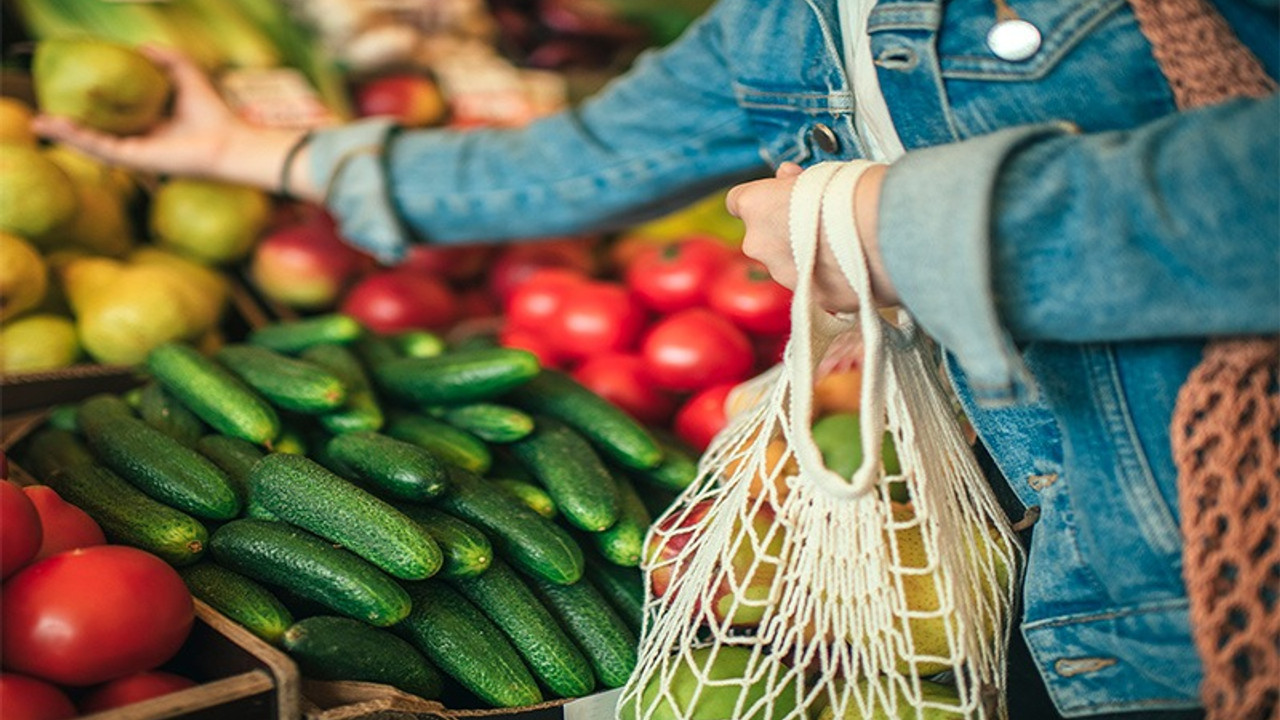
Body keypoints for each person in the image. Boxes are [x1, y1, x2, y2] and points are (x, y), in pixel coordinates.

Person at [34, 1, 1279, 717]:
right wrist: (259, 155)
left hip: (1217, 570)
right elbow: (572, 165)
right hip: (1026, 589)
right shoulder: (781, 15)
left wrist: (894, 227)